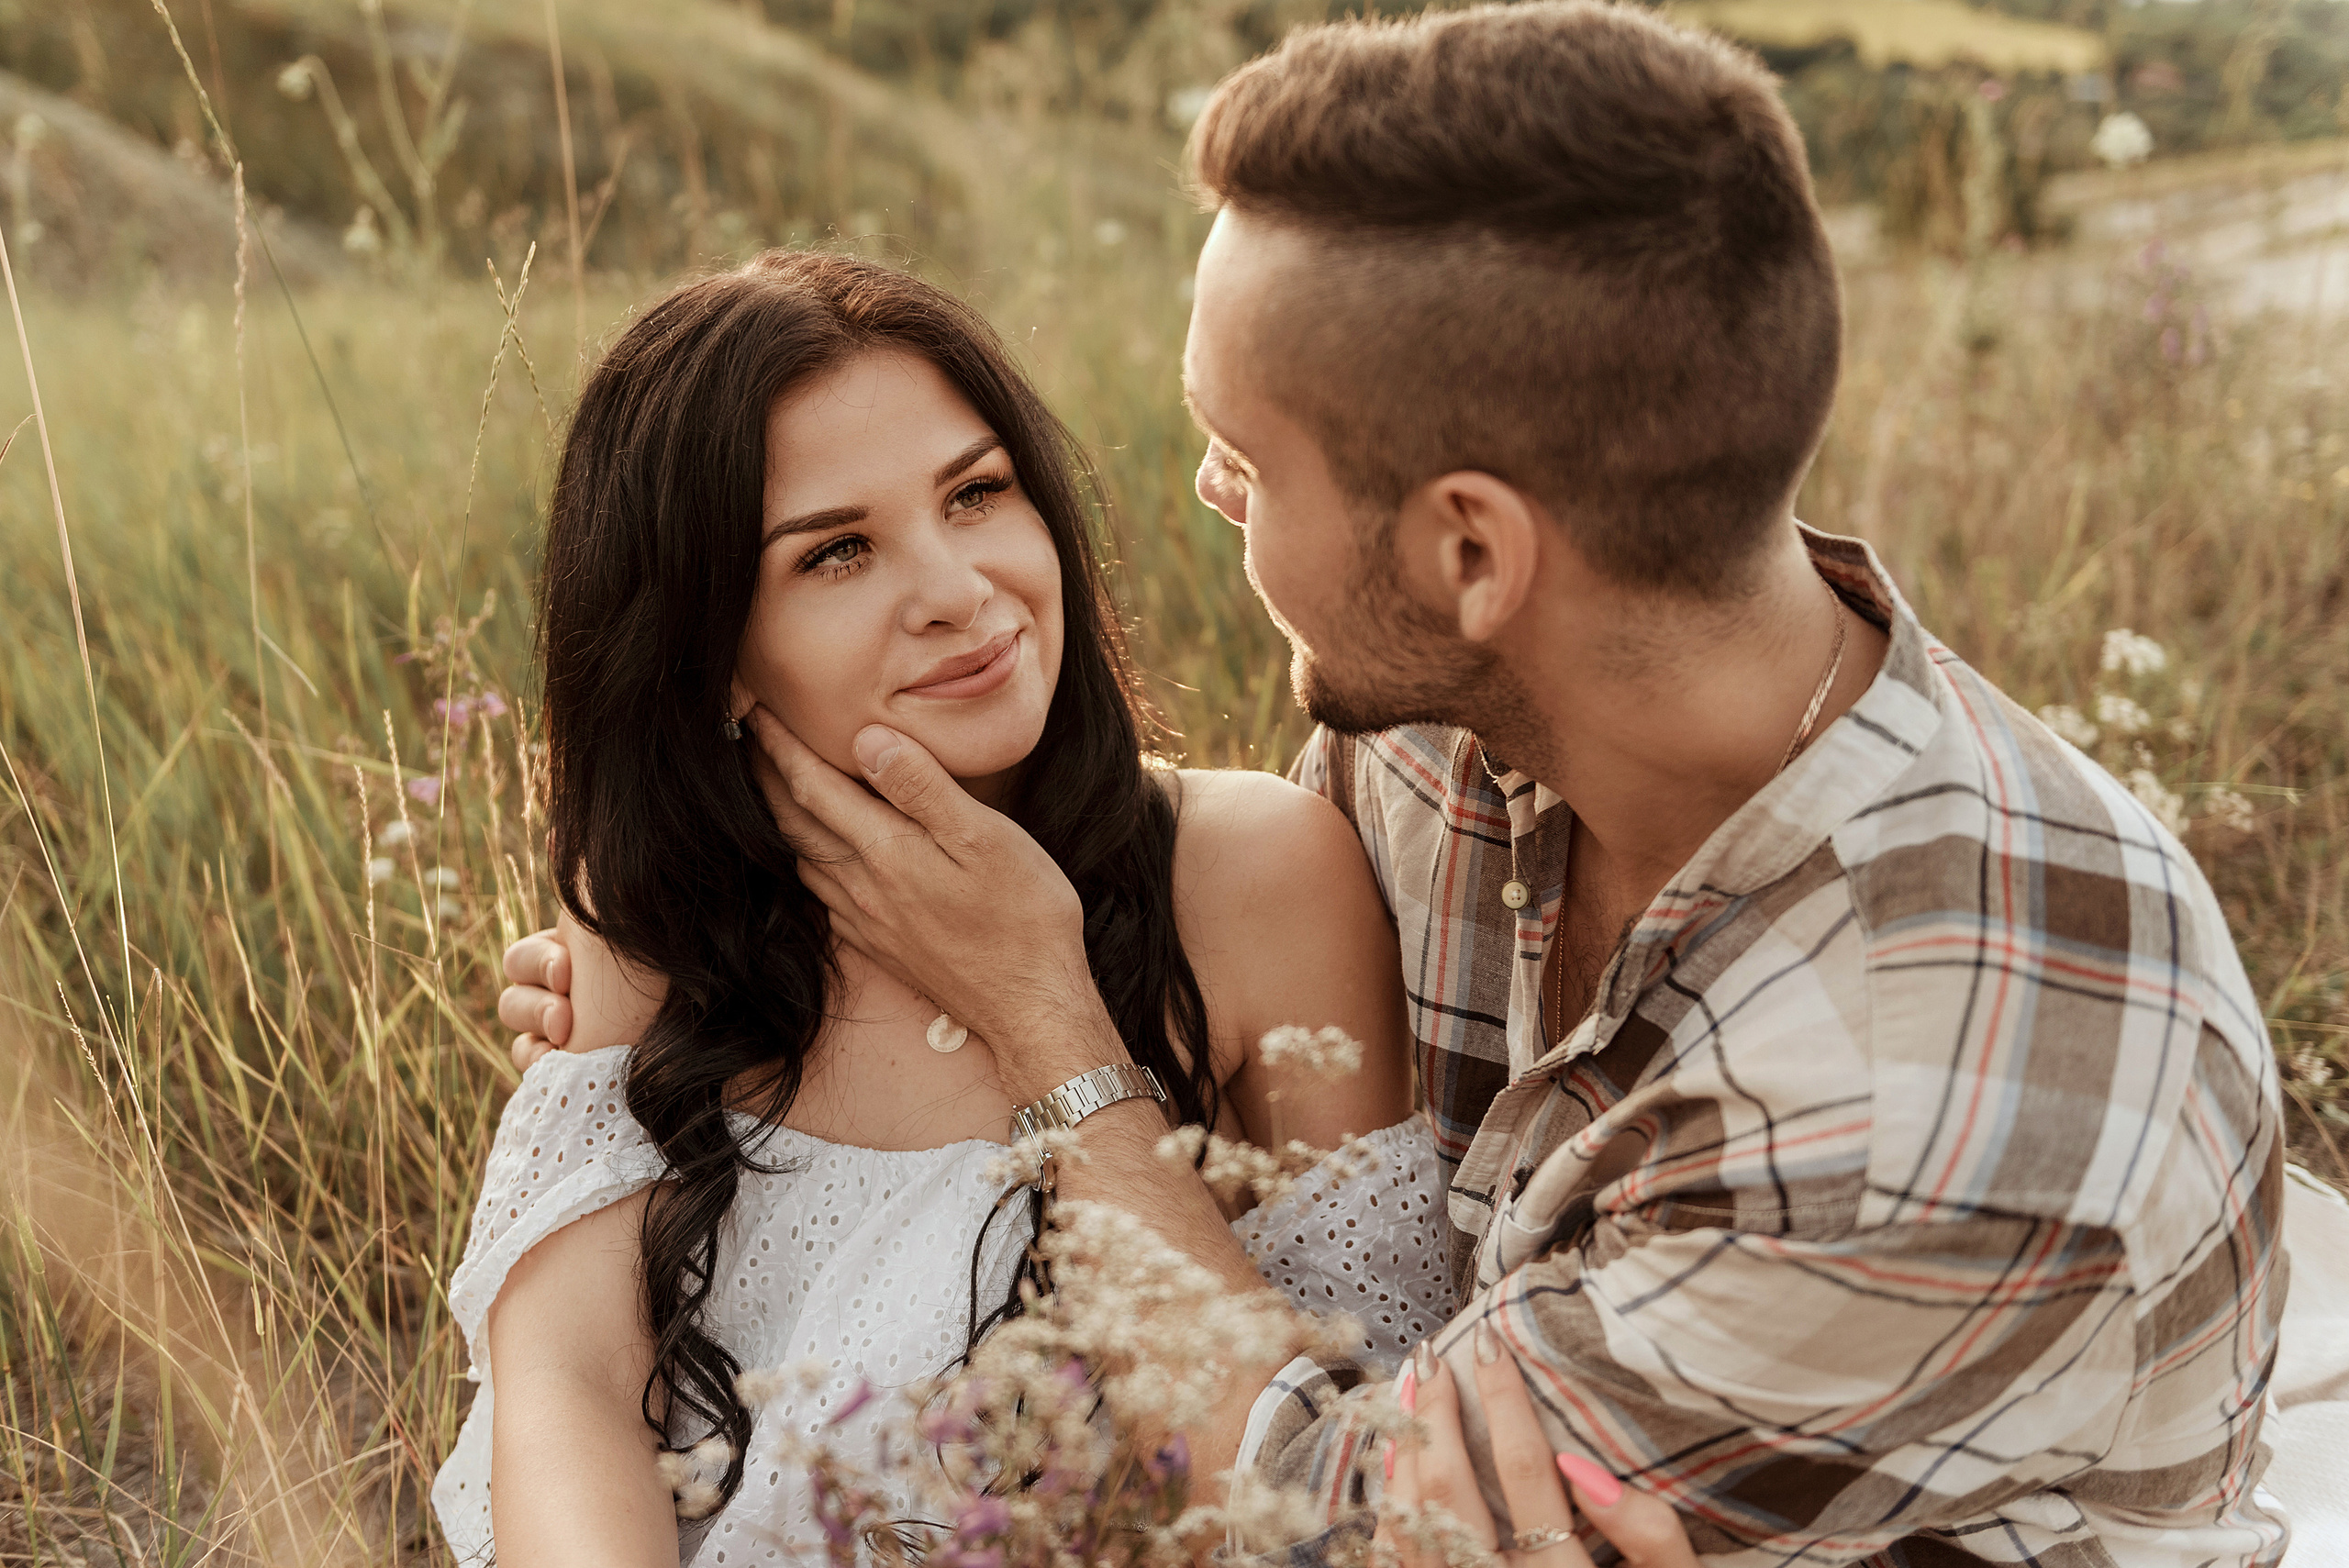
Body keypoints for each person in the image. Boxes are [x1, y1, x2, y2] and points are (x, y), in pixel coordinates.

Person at [542, 5, 2291, 1563]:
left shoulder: (1937, 1091)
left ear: (1471, 554)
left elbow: (1332, 1532)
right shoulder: (1453, 732)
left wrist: (1040, 1018)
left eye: (1246, 451)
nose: (1209, 493)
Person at [430, 250, 1474, 1565]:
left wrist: (1036, 997)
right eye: (838, 552)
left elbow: (1350, 1469)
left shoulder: (1249, 874)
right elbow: (569, 1385)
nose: (960, 590)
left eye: (977, 493)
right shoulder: (653, 917)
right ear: (711, 654)